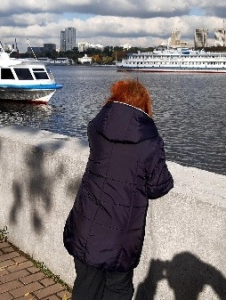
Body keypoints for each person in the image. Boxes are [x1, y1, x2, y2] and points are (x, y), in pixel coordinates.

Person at [63, 79, 174, 300]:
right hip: (120, 234)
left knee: (86, 284)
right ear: (144, 104)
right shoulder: (149, 141)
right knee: (118, 289)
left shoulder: (97, 128)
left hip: (85, 223)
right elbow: (158, 186)